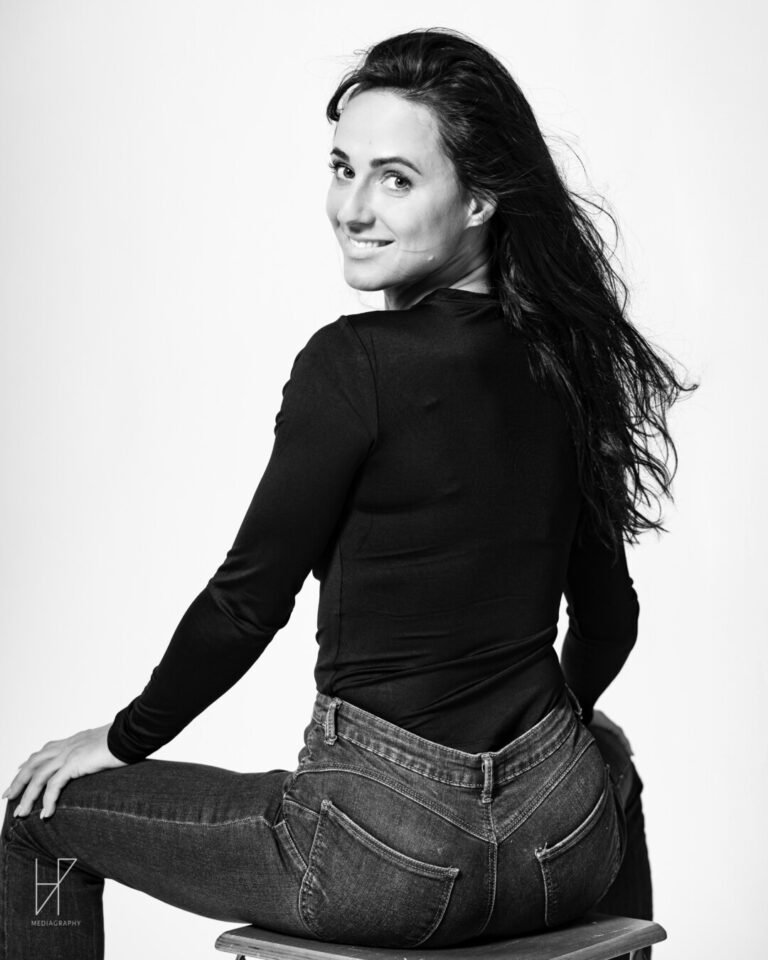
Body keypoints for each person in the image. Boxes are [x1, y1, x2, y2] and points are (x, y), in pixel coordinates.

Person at [0, 27, 695, 960]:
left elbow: (247, 603)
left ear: (480, 198)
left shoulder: (352, 362)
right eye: (343, 168)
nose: (353, 208)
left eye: (395, 179)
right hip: (555, 848)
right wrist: (535, 749)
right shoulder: (567, 361)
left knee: (37, 819)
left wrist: (124, 740)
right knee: (603, 759)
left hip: (382, 864)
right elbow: (610, 619)